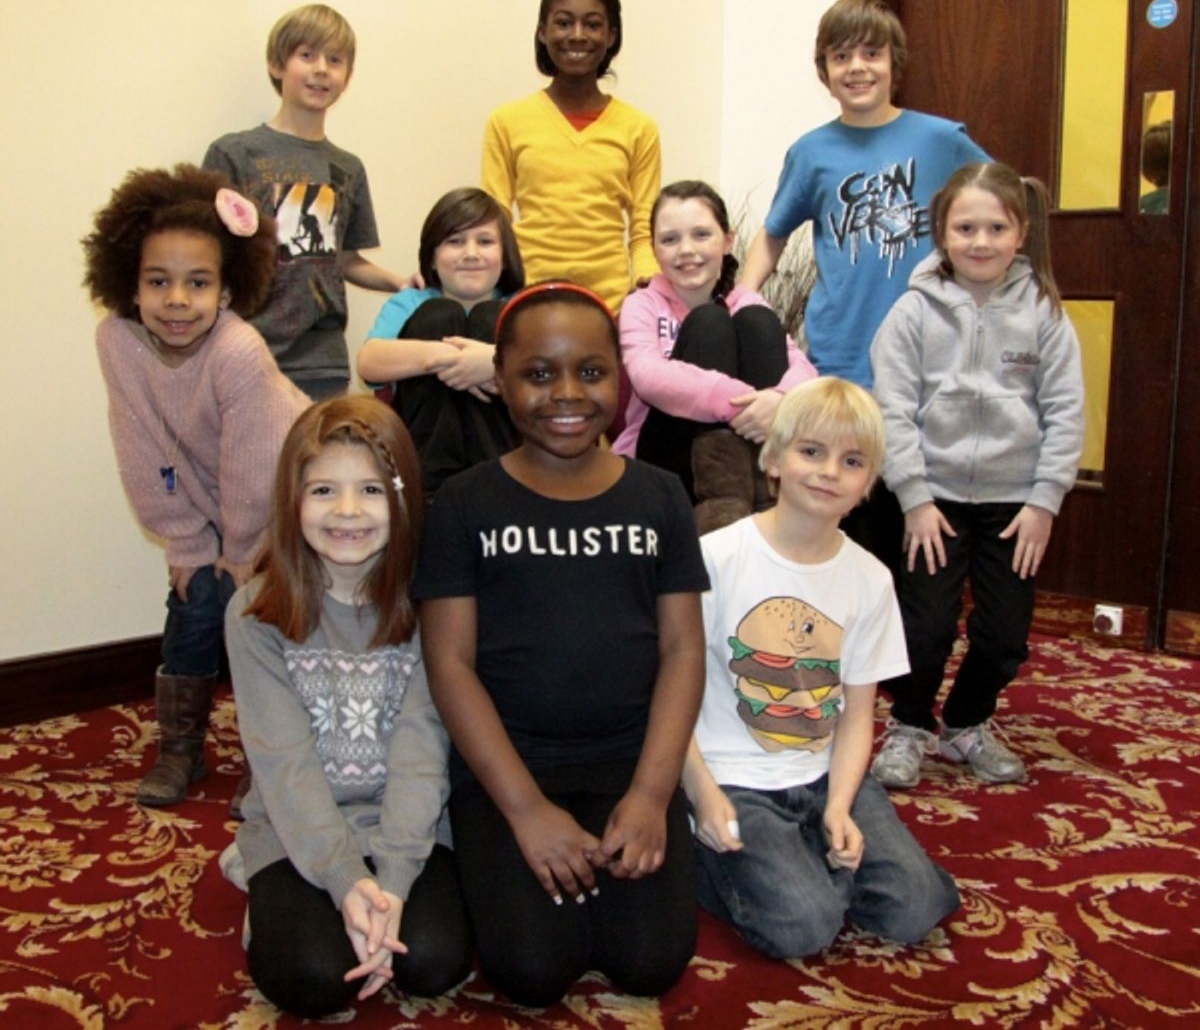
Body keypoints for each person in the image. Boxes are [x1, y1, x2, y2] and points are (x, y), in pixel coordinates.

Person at [414, 282, 708, 1007]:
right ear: (500, 380)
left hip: (628, 762)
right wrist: (524, 811)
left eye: (591, 371)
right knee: (532, 969)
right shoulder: (463, 504)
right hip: (509, 767)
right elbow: (449, 664)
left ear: (621, 376)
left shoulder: (661, 496)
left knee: (651, 962)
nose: (567, 393)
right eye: (539, 373)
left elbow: (682, 651)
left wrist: (652, 794)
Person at [683, 377, 960, 959]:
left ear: (868, 483)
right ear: (773, 459)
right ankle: (700, 852)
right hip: (733, 779)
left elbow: (858, 715)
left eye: (852, 461)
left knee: (917, 907)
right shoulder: (715, 558)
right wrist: (703, 794)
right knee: (804, 927)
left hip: (825, 774)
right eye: (811, 451)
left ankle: (802, 857)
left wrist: (838, 804)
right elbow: (669, 696)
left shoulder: (870, 579)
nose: (829, 472)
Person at [224, 397, 471, 1018]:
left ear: (404, 499)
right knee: (311, 975)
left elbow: (422, 751)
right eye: (323, 490)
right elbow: (284, 763)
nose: (348, 511)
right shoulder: (255, 614)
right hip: (294, 823)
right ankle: (254, 873)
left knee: (434, 961)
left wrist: (393, 880)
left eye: (370, 490)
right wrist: (343, 878)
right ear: (292, 501)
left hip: (406, 822)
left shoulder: (432, 606)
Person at [82, 163, 309, 810]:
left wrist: (243, 549)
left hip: (288, 507)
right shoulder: (118, 342)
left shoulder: (238, 351)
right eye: (158, 281)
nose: (177, 300)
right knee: (195, 600)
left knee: (259, 614)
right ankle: (180, 748)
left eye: (198, 283)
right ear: (130, 285)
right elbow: (140, 448)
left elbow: (256, 465)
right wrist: (186, 541)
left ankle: (270, 758)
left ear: (227, 291)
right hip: (217, 509)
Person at [741, 0, 988, 568]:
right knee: (846, 522)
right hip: (841, 357)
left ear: (894, 62)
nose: (857, 68)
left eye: (871, 54)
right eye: (841, 56)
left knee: (916, 532)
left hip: (928, 362)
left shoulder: (942, 140)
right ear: (824, 69)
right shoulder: (811, 152)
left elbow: (1001, 206)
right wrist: (744, 303)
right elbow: (773, 234)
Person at [868, 162, 1084, 789]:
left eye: (996, 228)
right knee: (924, 629)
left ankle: (965, 723)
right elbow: (891, 410)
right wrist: (913, 497)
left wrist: (1045, 502)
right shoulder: (912, 312)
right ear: (942, 233)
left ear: (1021, 233)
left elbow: (1066, 411)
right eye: (965, 228)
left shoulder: (1044, 312)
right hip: (931, 502)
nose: (981, 241)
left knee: (1004, 637)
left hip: (1015, 506)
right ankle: (910, 724)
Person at [203, 4, 405, 399]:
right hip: (245, 350)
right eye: (307, 55)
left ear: (347, 77)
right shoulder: (234, 153)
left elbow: (345, 259)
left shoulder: (348, 167)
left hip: (322, 361)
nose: (321, 69)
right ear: (277, 64)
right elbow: (207, 255)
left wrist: (399, 282)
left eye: (335, 60)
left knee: (319, 442)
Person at [613, 181, 817, 533]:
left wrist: (779, 402)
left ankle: (766, 502)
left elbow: (804, 371)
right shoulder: (642, 303)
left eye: (701, 235)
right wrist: (744, 405)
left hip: (747, 459)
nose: (686, 250)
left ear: (727, 241)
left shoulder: (745, 301)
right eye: (670, 239)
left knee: (757, 322)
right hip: (666, 457)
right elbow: (647, 376)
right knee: (710, 324)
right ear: (655, 249)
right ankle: (724, 508)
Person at [482, 0, 660, 312]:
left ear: (611, 36)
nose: (577, 35)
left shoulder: (639, 128)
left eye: (592, 25)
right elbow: (494, 220)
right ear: (542, 31)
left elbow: (643, 228)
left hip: (611, 307)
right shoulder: (506, 121)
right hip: (526, 300)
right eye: (564, 23)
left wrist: (647, 290)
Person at [357, 188, 525, 499]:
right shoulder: (410, 302)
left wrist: (493, 362)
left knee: (493, 317)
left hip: (503, 462)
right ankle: (429, 492)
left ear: (506, 258)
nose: (471, 253)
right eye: (455, 241)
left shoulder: (524, 306)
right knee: (439, 315)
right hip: (425, 465)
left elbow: (548, 369)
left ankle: (499, 487)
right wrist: (447, 357)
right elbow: (369, 362)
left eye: (485, 241)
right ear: (432, 258)